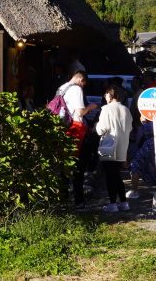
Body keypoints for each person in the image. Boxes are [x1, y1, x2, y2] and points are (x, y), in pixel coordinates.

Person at [55, 71, 96, 208]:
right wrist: (90, 107)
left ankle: (63, 198)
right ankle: (79, 200)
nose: (83, 87)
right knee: (79, 166)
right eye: (83, 84)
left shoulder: (62, 88)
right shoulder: (76, 89)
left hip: (63, 128)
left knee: (64, 165)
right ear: (80, 79)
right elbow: (79, 112)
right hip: (76, 128)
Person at [96, 83, 133, 213]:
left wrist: (96, 126)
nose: (105, 96)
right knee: (117, 176)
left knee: (110, 176)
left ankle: (113, 204)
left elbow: (102, 129)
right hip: (123, 146)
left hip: (109, 146)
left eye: (106, 94)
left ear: (111, 95)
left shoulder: (106, 109)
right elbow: (130, 128)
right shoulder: (125, 109)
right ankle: (123, 202)